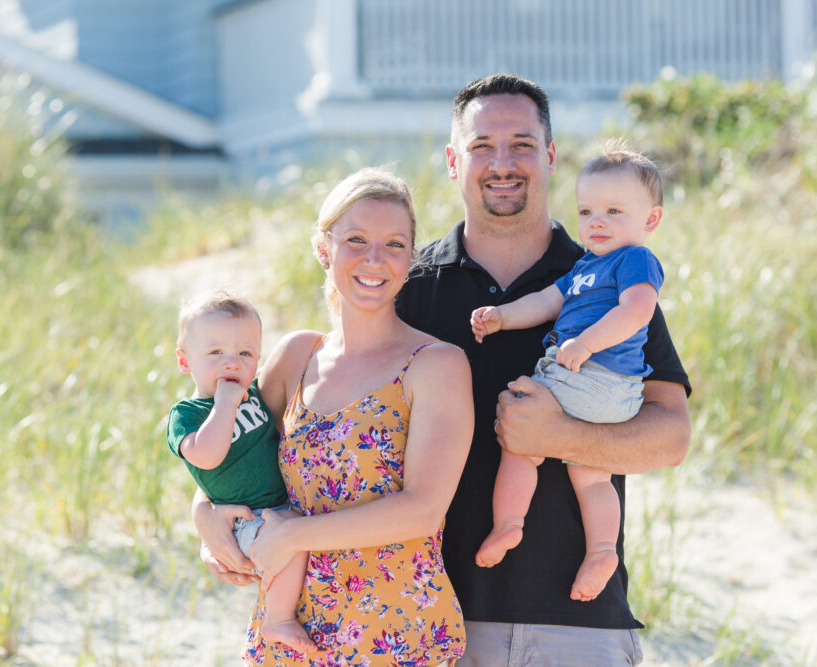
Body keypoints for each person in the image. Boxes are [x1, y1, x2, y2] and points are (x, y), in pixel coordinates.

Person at [393, 75, 691, 665]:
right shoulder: (409, 288)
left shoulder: (607, 277)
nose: (503, 163)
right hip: (434, 623)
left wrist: (561, 437)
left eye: (523, 144)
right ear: (453, 162)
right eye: (482, 146)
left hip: (578, 628)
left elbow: (671, 437)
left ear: (551, 156)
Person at [194, 168, 474, 666]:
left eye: (394, 244)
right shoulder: (295, 356)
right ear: (324, 249)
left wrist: (292, 535)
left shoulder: (436, 365)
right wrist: (205, 519)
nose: (375, 259)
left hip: (396, 634)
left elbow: (423, 510)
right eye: (356, 240)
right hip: (289, 634)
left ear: (410, 258)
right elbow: (233, 454)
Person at [469, 144, 666, 604]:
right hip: (605, 395)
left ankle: (509, 524)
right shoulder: (585, 267)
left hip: (592, 375)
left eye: (614, 211)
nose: (597, 221)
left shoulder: (635, 258)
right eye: (586, 211)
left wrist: (586, 344)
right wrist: (502, 316)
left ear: (651, 220)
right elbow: (544, 303)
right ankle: (601, 551)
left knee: (519, 436)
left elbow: (638, 310)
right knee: (593, 477)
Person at [168, 290, 313, 652]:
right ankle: (278, 619)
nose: (231, 363)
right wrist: (225, 405)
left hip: (278, 507)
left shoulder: (255, 393)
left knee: (294, 531)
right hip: (246, 520)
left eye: (245, 354)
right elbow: (207, 457)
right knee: (291, 536)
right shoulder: (186, 415)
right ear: (185, 361)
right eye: (215, 353)